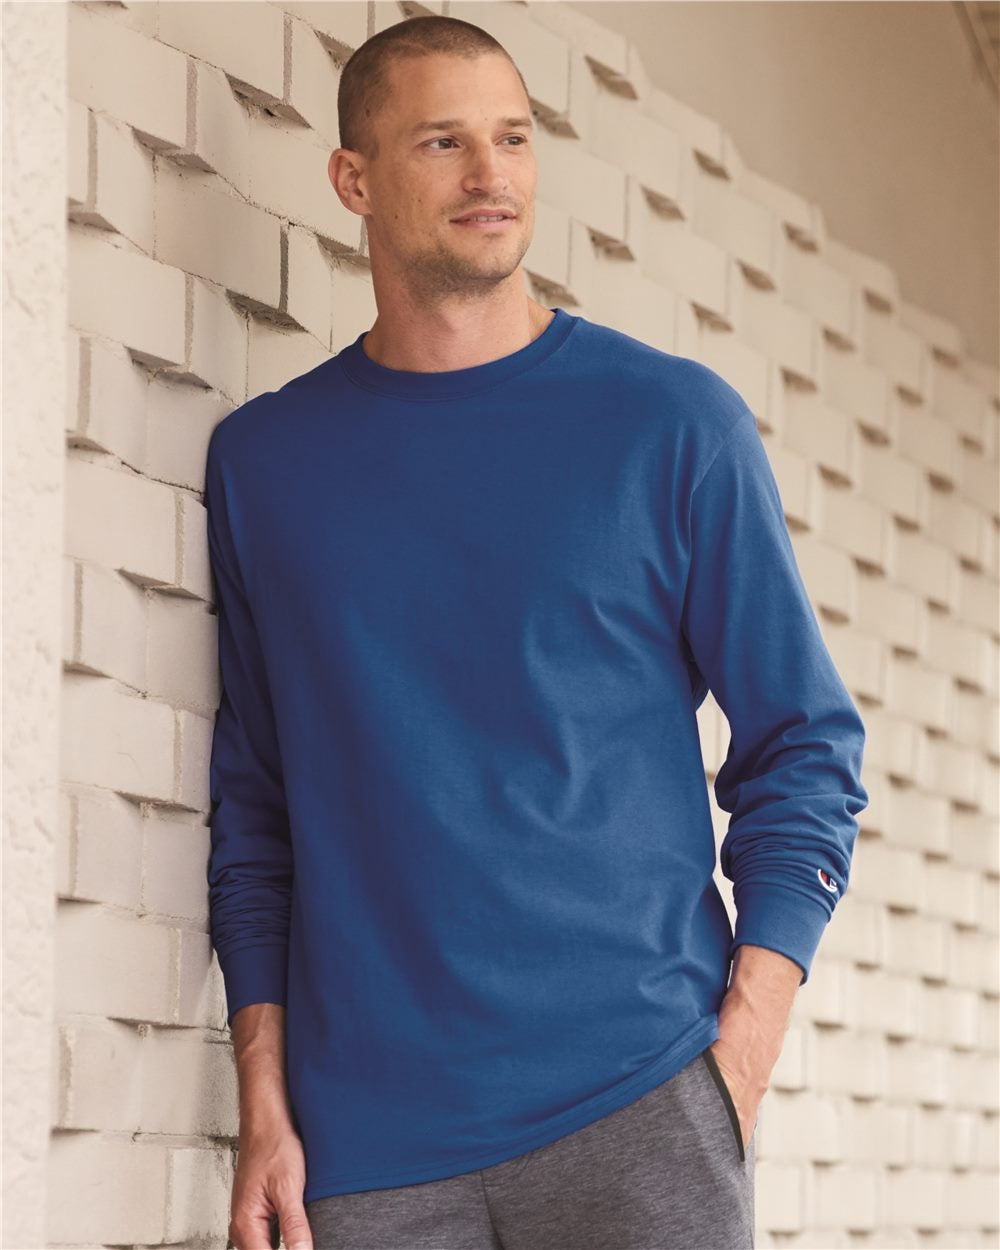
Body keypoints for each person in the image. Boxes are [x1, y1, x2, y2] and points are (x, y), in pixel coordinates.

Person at [203, 14, 869, 1250]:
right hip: (367, 1144)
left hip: (640, 1098)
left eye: (511, 138)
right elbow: (254, 804)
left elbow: (806, 743)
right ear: (353, 178)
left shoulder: (671, 425)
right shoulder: (266, 465)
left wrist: (741, 1048)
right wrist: (263, 1098)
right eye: (441, 142)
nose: (489, 173)